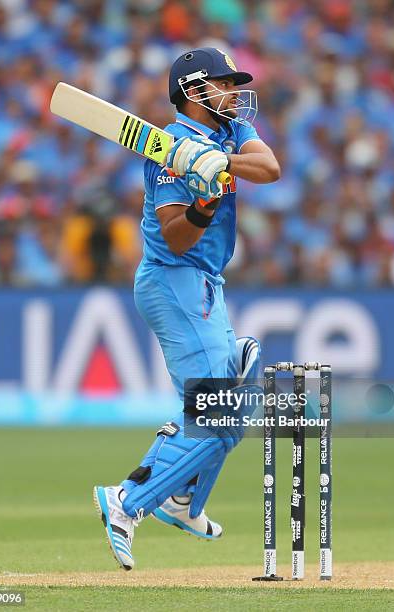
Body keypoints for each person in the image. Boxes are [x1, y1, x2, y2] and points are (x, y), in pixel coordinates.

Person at [93, 47, 280, 570]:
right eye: (225, 84)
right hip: (173, 280)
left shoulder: (228, 134)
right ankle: (127, 500)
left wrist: (219, 164)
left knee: (233, 407)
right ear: (195, 91)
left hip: (205, 282)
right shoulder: (169, 147)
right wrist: (203, 203)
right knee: (219, 414)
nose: (235, 93)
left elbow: (270, 167)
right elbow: (175, 239)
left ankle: (182, 499)